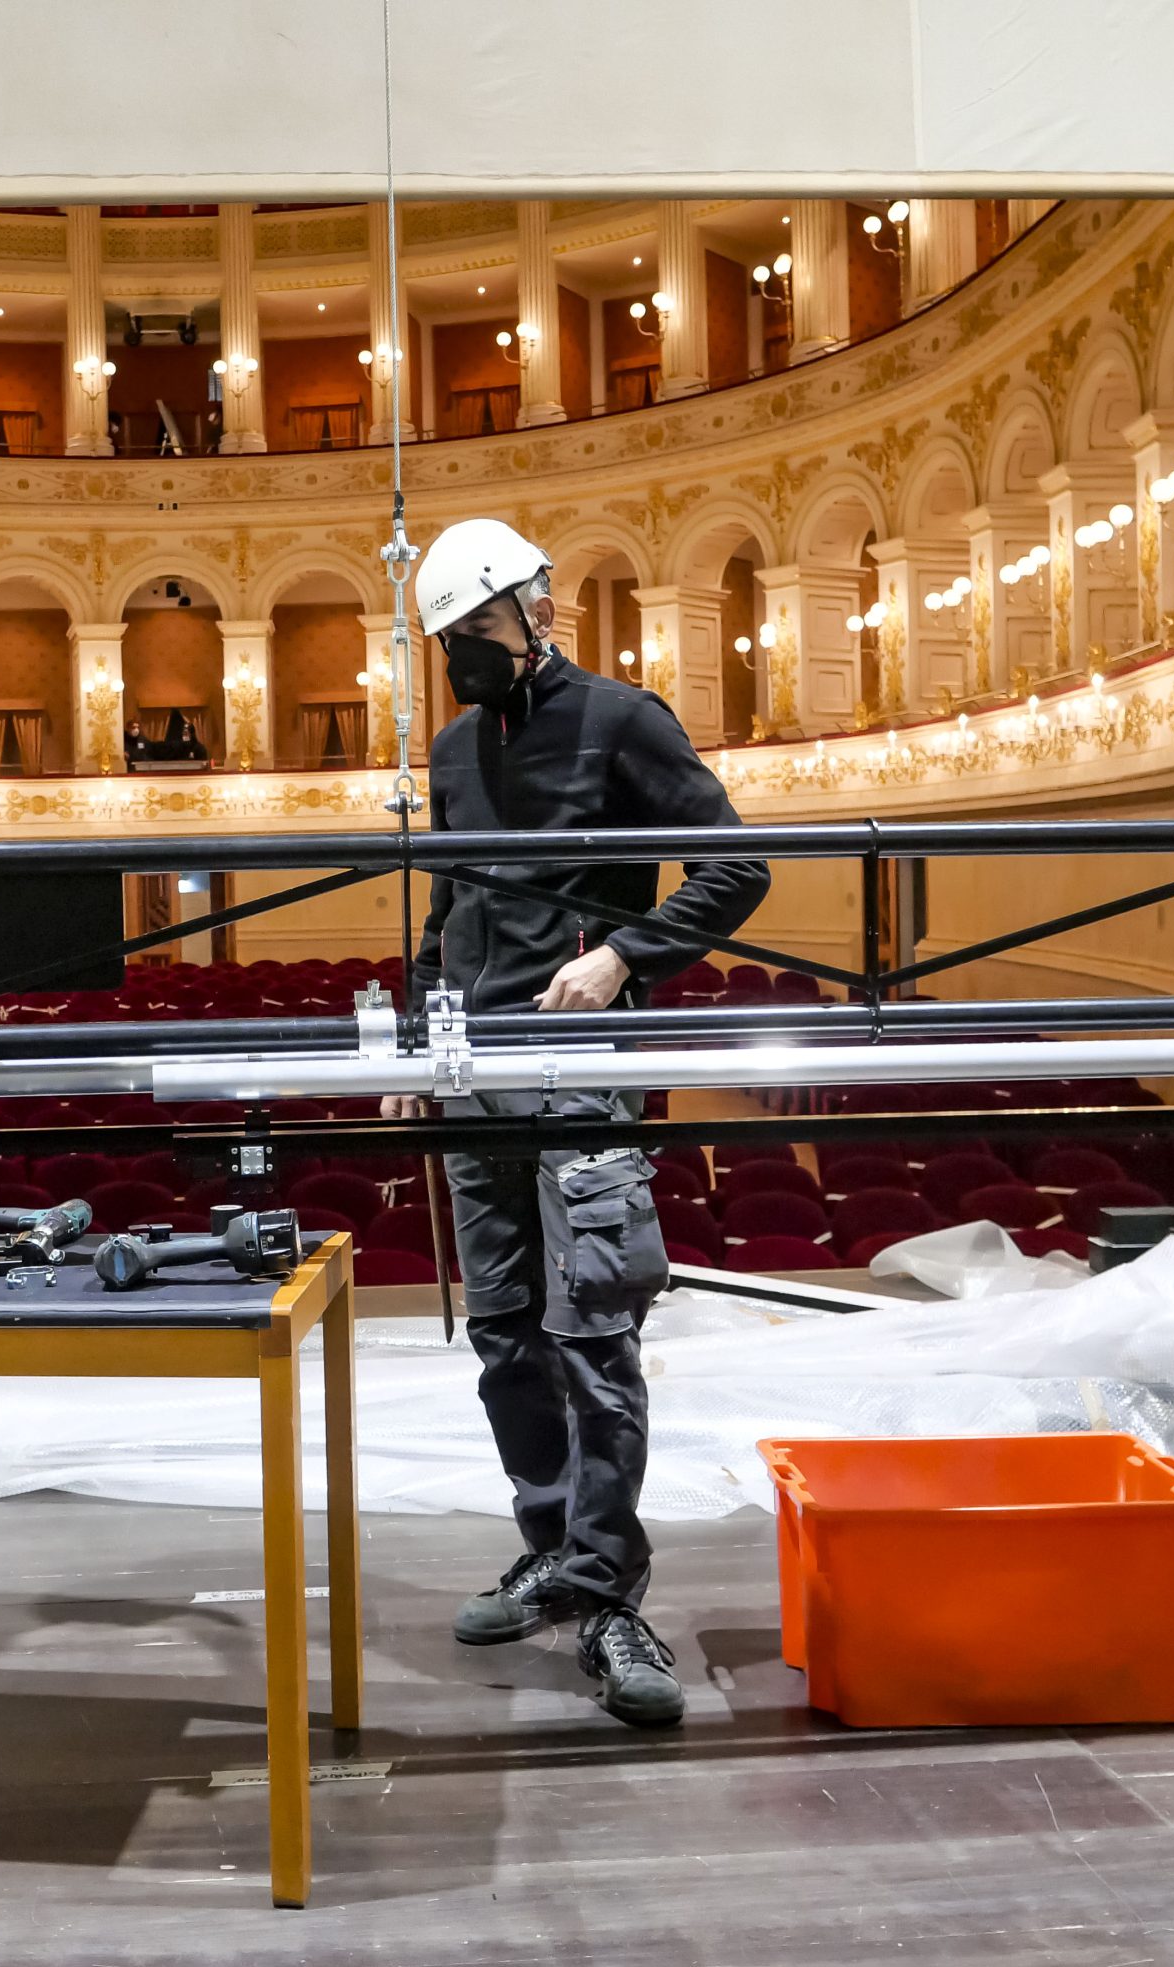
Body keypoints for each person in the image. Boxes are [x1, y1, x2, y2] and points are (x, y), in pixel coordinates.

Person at [386, 517, 769, 1729]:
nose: (464, 650)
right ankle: (550, 1546)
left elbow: (733, 865)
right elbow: (448, 911)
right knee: (504, 1333)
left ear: (536, 608)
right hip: (476, 1078)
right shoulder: (453, 748)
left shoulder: (622, 719)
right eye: (446, 636)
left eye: (478, 626)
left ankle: (607, 1591)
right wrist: (420, 1034)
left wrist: (621, 954)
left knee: (593, 1331)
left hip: (579, 1071)